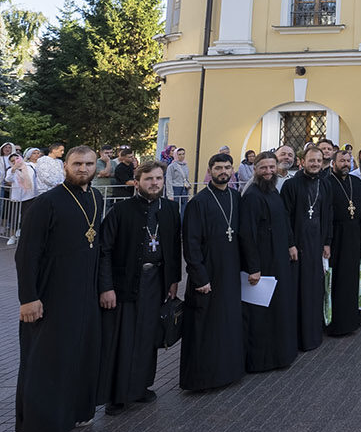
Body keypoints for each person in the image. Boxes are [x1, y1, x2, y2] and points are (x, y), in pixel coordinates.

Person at [14, 146, 102, 432]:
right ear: (65, 165)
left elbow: (97, 246)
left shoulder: (96, 198)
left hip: (84, 296)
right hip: (50, 296)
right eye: (77, 163)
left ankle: (74, 414)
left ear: (96, 166)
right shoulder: (46, 203)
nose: (83, 169)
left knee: (78, 356)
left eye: (89, 164)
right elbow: (26, 254)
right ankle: (39, 429)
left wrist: (102, 289)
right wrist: (29, 298)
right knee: (44, 362)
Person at [97, 159, 180, 414]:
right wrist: (106, 287)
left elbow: (174, 246)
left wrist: (173, 280)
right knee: (123, 339)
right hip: (127, 283)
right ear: (137, 181)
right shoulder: (122, 211)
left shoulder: (170, 209)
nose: (154, 183)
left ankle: (141, 387)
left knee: (147, 337)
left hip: (156, 281)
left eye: (158, 179)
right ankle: (117, 396)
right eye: (148, 179)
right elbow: (104, 250)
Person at [180, 153, 245, 392]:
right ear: (210, 170)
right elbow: (191, 243)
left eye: (227, 168)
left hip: (230, 271)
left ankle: (229, 372)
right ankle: (204, 379)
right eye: (218, 168)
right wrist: (200, 277)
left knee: (227, 323)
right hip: (208, 274)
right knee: (205, 327)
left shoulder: (236, 197)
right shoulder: (199, 202)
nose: (223, 172)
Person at [237, 151, 299, 372]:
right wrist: (253, 268)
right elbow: (247, 234)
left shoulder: (273, 191)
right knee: (262, 314)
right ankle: (262, 361)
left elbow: (284, 220)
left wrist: (291, 244)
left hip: (279, 257)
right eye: (263, 168)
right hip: (263, 262)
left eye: (271, 167)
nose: (268, 171)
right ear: (255, 169)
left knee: (279, 309)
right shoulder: (252, 195)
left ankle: (280, 355)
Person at [284, 145, 331, 352]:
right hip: (298, 246)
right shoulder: (291, 185)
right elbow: (284, 218)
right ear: (302, 162)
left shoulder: (325, 184)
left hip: (317, 244)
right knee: (298, 290)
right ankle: (298, 336)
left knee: (314, 289)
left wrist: (327, 242)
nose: (315, 164)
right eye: (311, 161)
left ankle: (313, 334)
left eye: (318, 161)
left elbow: (327, 214)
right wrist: (290, 243)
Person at [325, 148, 361, 337]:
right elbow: (325, 213)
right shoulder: (326, 182)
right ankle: (337, 323)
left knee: (353, 278)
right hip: (336, 236)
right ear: (333, 163)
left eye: (348, 161)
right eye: (342, 161)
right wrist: (326, 240)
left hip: (355, 235)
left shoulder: (356, 182)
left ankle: (353, 320)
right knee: (337, 280)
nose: (345, 164)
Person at [6, 151, 36, 246]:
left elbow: (35, 180)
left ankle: (24, 236)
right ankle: (12, 236)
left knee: (26, 217)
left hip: (29, 196)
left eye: (17, 159)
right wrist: (13, 169)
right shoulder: (10, 170)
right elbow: (8, 179)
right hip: (17, 197)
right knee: (14, 217)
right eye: (12, 160)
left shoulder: (29, 167)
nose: (15, 161)